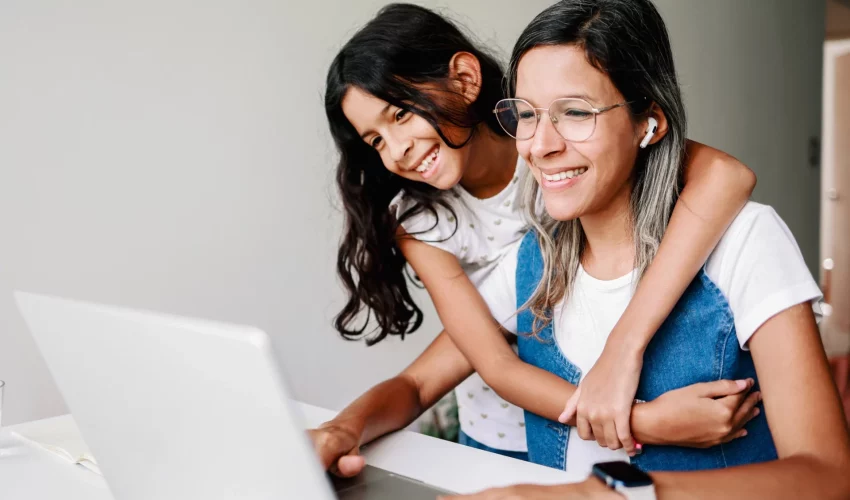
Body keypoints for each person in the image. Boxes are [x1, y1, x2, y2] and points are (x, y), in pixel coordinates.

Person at [315, 2, 756, 468]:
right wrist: (639, 420)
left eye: (401, 115)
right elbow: (491, 365)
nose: (397, 150)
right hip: (506, 431)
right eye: (375, 140)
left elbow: (727, 175)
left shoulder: (552, 147)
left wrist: (623, 352)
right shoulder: (422, 222)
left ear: (464, 79)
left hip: (615, 400)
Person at [440, 0, 850, 498]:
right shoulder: (532, 261)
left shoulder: (747, 242)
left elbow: (831, 475)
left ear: (648, 122)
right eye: (526, 114)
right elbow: (422, 381)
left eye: (575, 112)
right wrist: (353, 427)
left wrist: (608, 495)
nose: (539, 145)